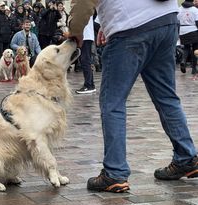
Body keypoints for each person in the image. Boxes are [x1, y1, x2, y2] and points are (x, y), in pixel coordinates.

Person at [69, 0, 198, 192]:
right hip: (167, 20)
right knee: (166, 96)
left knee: (113, 102)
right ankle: (187, 157)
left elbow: (83, 4)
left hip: (129, 29)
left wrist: (75, 31)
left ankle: (114, 173)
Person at [75, 16, 96, 94]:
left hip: (85, 36)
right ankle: (91, 84)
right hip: (86, 35)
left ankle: (88, 85)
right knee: (86, 60)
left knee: (85, 60)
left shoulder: (83, 5)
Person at [177, 0, 198, 74]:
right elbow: (197, 22)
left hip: (182, 31)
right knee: (196, 49)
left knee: (186, 47)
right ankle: (194, 68)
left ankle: (183, 60)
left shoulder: (179, 9)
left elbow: (177, 21)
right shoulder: (195, 10)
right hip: (193, 30)